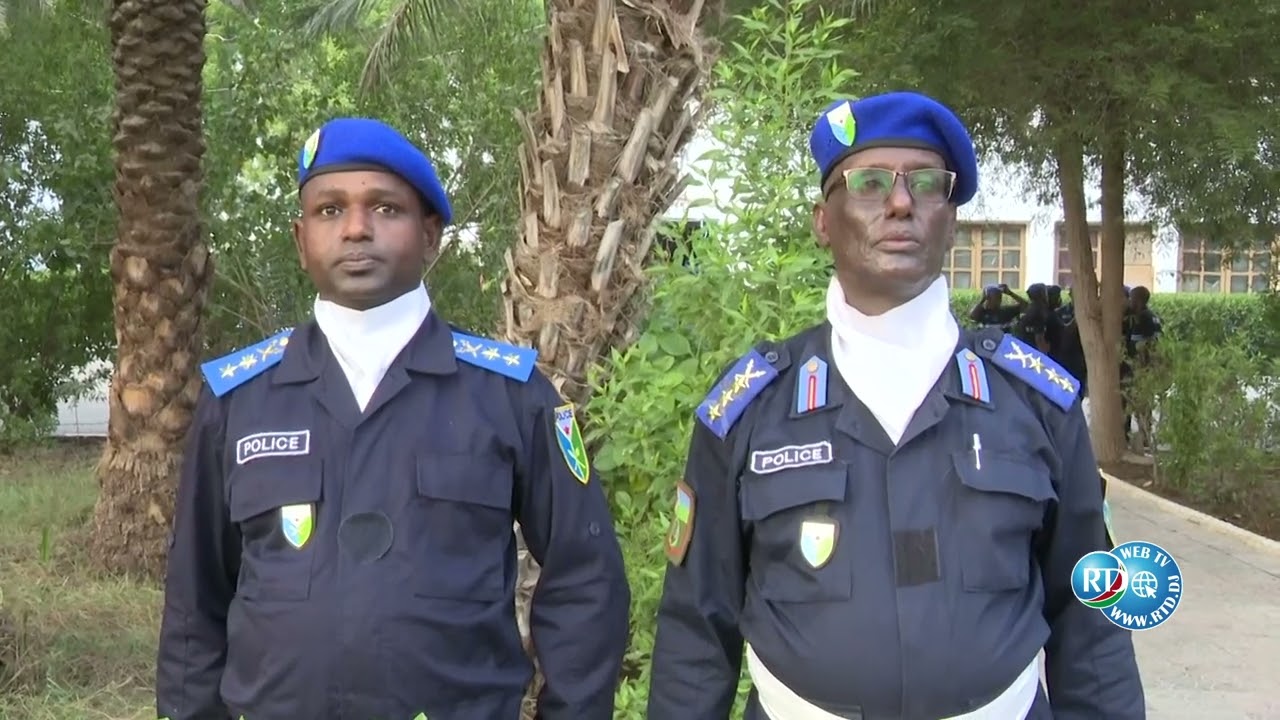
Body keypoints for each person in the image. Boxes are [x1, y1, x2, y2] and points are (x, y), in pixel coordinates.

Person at [646, 92, 1143, 720]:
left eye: (928, 184)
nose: (901, 202)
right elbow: (697, 631)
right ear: (822, 220)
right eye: (871, 183)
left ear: (952, 220)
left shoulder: (1035, 405)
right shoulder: (750, 411)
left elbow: (1092, 624)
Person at [155, 117, 630, 720]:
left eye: (384, 208)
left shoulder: (511, 397)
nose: (356, 228)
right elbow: (195, 604)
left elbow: (585, 581)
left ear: (430, 236)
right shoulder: (238, 400)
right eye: (330, 211)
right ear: (301, 241)